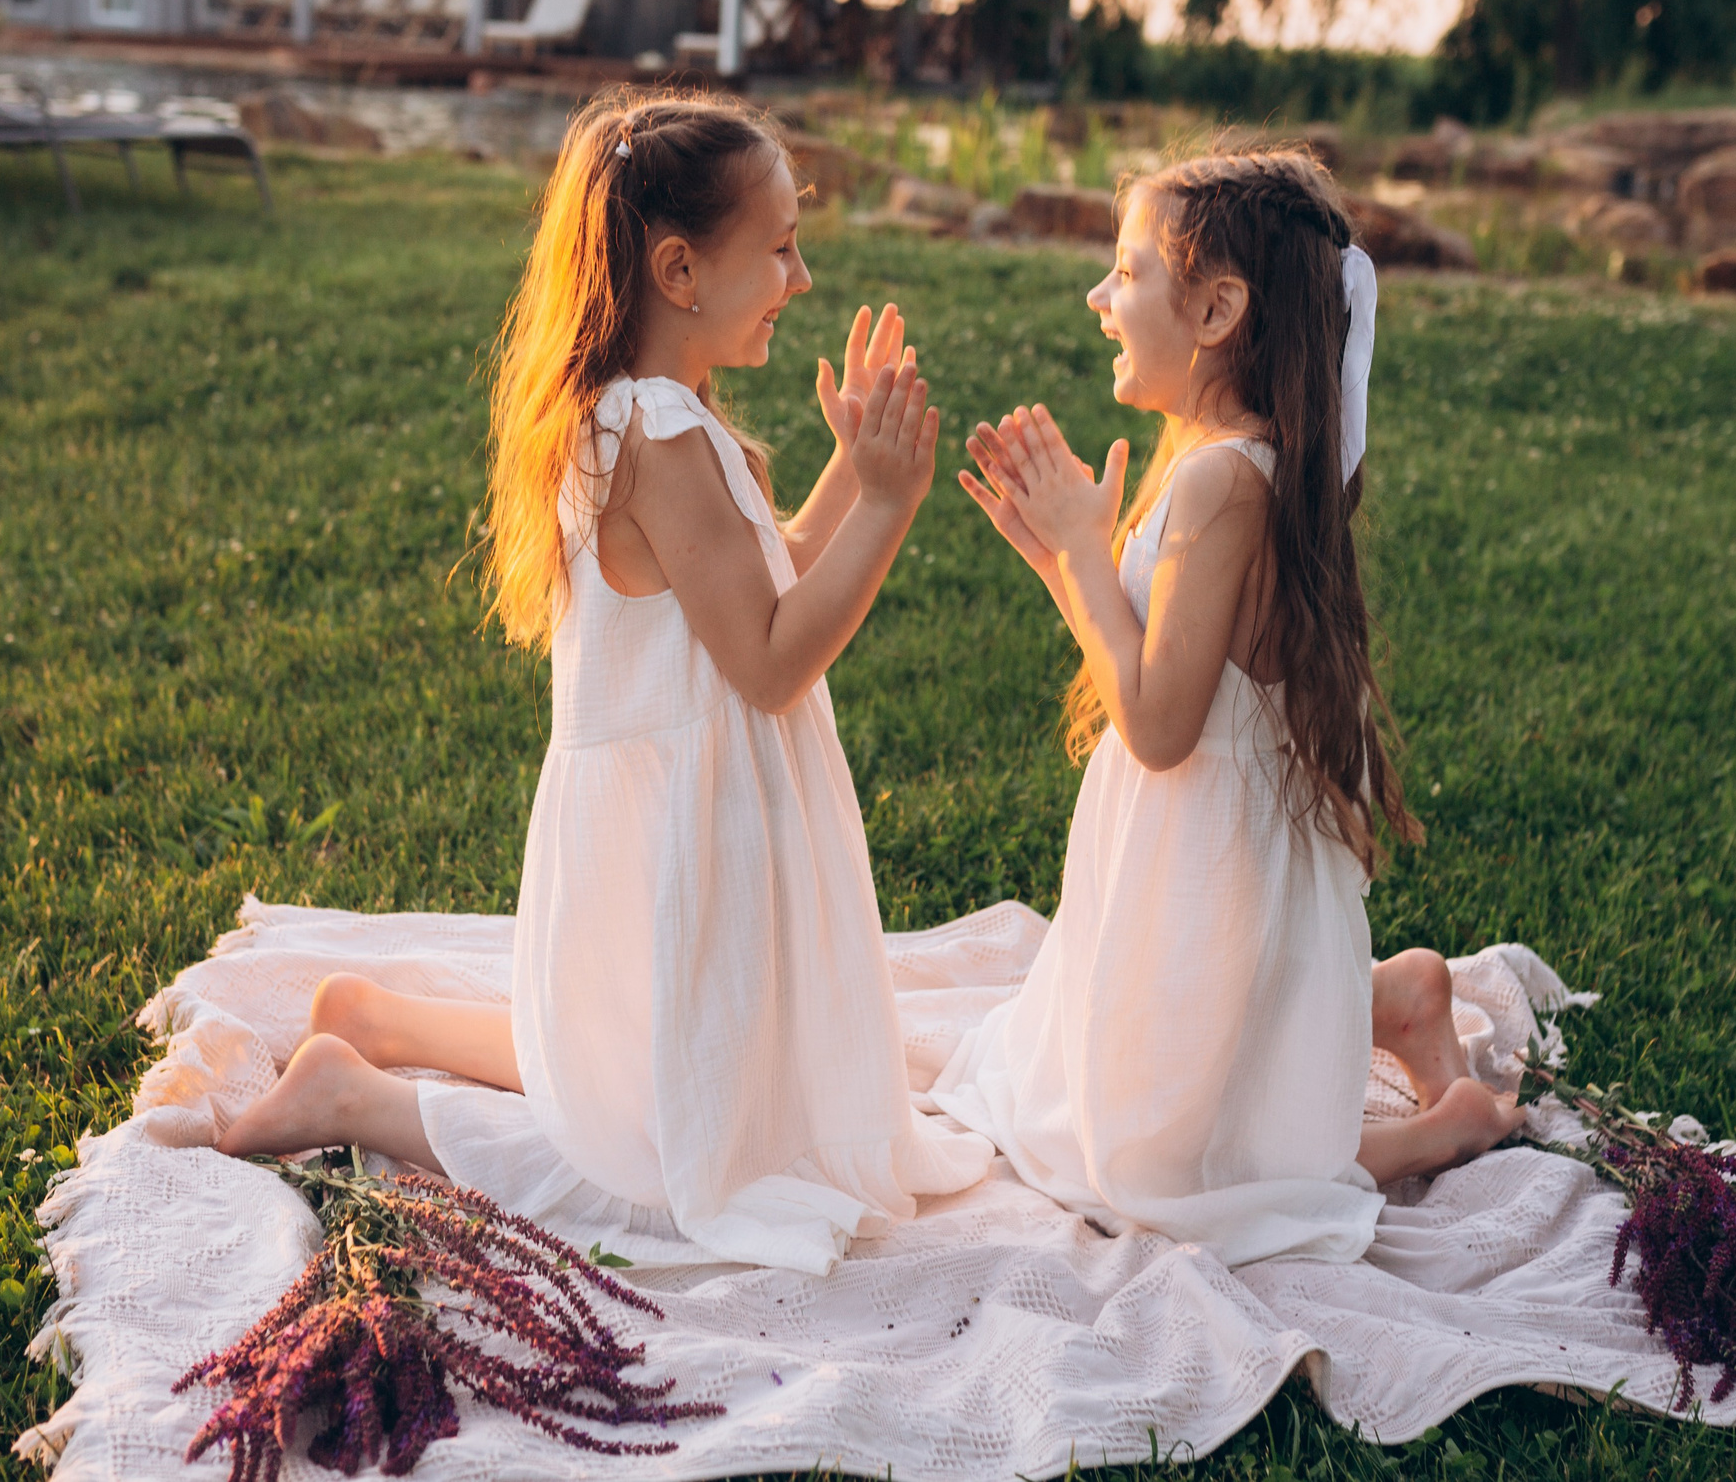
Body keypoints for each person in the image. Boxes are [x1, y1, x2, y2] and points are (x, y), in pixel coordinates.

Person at [219, 90, 990, 1274]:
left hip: (677, 808)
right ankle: (361, 1099)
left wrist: (843, 472)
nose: (802, 274)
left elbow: (757, 570)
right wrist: (886, 504)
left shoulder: (641, 418)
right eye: (780, 246)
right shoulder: (660, 437)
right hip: (688, 822)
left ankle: (381, 1023)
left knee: (648, 1064)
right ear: (681, 268)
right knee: (669, 1171)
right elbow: (772, 658)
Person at [936, 147, 1519, 1267]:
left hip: (1207, 859)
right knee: (1089, 1106)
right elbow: (1161, 679)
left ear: (1214, 308)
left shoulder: (1220, 479)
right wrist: (1072, 570)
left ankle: (1427, 1131)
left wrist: (1078, 553)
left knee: (1154, 1178)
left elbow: (1156, 726)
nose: (1100, 299)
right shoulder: (1236, 459)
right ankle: (1386, 996)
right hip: (1203, 862)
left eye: (1125, 273)